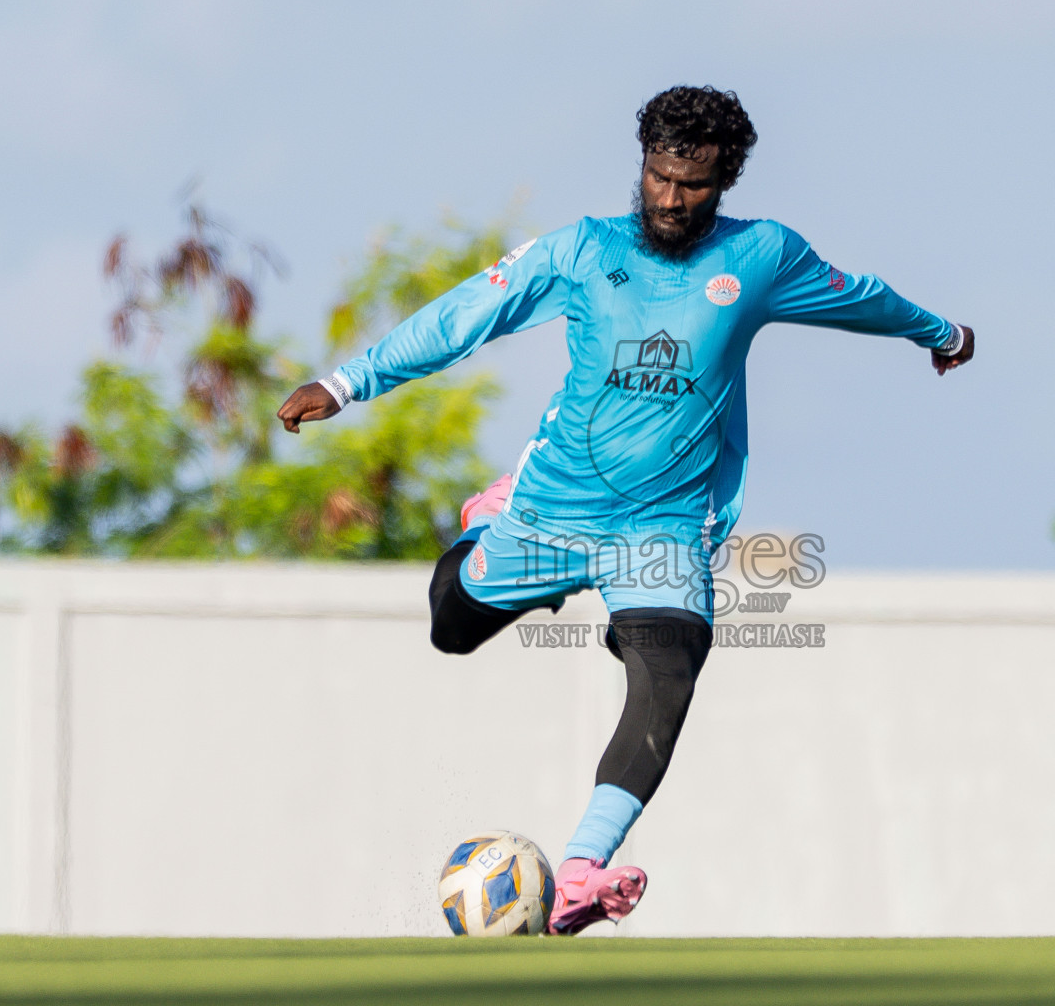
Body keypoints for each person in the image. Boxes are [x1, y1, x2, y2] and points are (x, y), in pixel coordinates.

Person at [276, 85, 975, 935]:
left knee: (670, 667)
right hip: (551, 508)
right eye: (658, 176)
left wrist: (939, 333)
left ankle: (580, 871)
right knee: (452, 625)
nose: (670, 200)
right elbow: (466, 315)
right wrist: (348, 383)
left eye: (692, 184)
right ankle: (484, 521)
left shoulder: (761, 258)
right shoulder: (582, 252)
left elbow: (861, 296)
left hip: (665, 525)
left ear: (725, 182)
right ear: (640, 164)